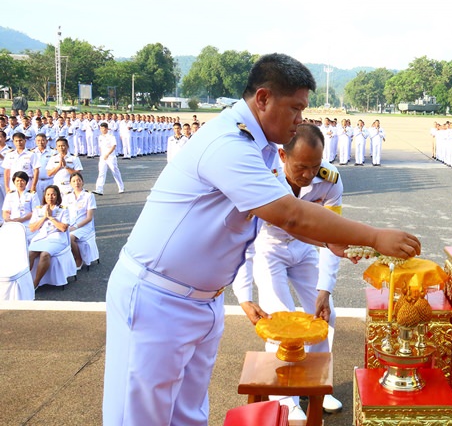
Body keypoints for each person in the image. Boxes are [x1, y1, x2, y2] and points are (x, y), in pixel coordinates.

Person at [102, 53, 420, 426]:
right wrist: (376, 236)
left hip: (200, 301)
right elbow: (290, 213)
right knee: (140, 417)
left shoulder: (258, 146)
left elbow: (283, 218)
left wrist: (327, 242)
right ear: (264, 98)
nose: (301, 119)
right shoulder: (229, 144)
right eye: (295, 108)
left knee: (187, 414)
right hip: (159, 297)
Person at [233, 124, 344, 421]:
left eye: (314, 166)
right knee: (279, 318)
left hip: (306, 248)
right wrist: (244, 294)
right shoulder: (263, 178)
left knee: (324, 313)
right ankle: (285, 397)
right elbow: (242, 239)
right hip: (268, 248)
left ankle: (316, 385)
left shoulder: (330, 180)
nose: (308, 175)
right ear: (282, 155)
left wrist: (325, 289)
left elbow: (332, 237)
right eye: (301, 167)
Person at [28, 185, 70, 287]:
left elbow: (63, 228)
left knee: (45, 254)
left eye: (53, 194)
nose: (50, 197)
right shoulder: (39, 209)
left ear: (57, 196)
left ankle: (35, 283)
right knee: (30, 254)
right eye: (48, 194)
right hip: (41, 237)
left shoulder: (63, 210)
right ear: (44, 196)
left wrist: (51, 217)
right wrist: (44, 218)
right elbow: (32, 228)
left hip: (57, 239)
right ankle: (27, 281)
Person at [64, 172, 97, 270]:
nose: (76, 183)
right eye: (73, 181)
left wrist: (76, 227)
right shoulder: (67, 197)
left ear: (82, 182)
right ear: (70, 183)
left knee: (70, 237)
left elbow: (89, 217)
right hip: (70, 225)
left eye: (79, 180)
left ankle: (78, 259)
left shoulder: (88, 196)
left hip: (84, 226)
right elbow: (64, 213)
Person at [2, 171, 39, 242]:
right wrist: (8, 220)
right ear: (14, 182)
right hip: (12, 223)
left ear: (26, 182)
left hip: (27, 224)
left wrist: (21, 219)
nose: (20, 183)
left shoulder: (32, 194)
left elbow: (35, 211)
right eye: (17, 181)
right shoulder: (10, 194)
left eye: (22, 181)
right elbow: (6, 211)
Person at [95, 122, 125, 195]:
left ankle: (121, 187)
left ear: (107, 128)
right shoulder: (100, 137)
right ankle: (99, 189)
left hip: (111, 156)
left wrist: (108, 154)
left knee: (115, 171)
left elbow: (114, 146)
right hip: (103, 156)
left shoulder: (111, 136)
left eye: (103, 128)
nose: (102, 130)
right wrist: (102, 155)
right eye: (101, 128)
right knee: (101, 172)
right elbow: (100, 147)